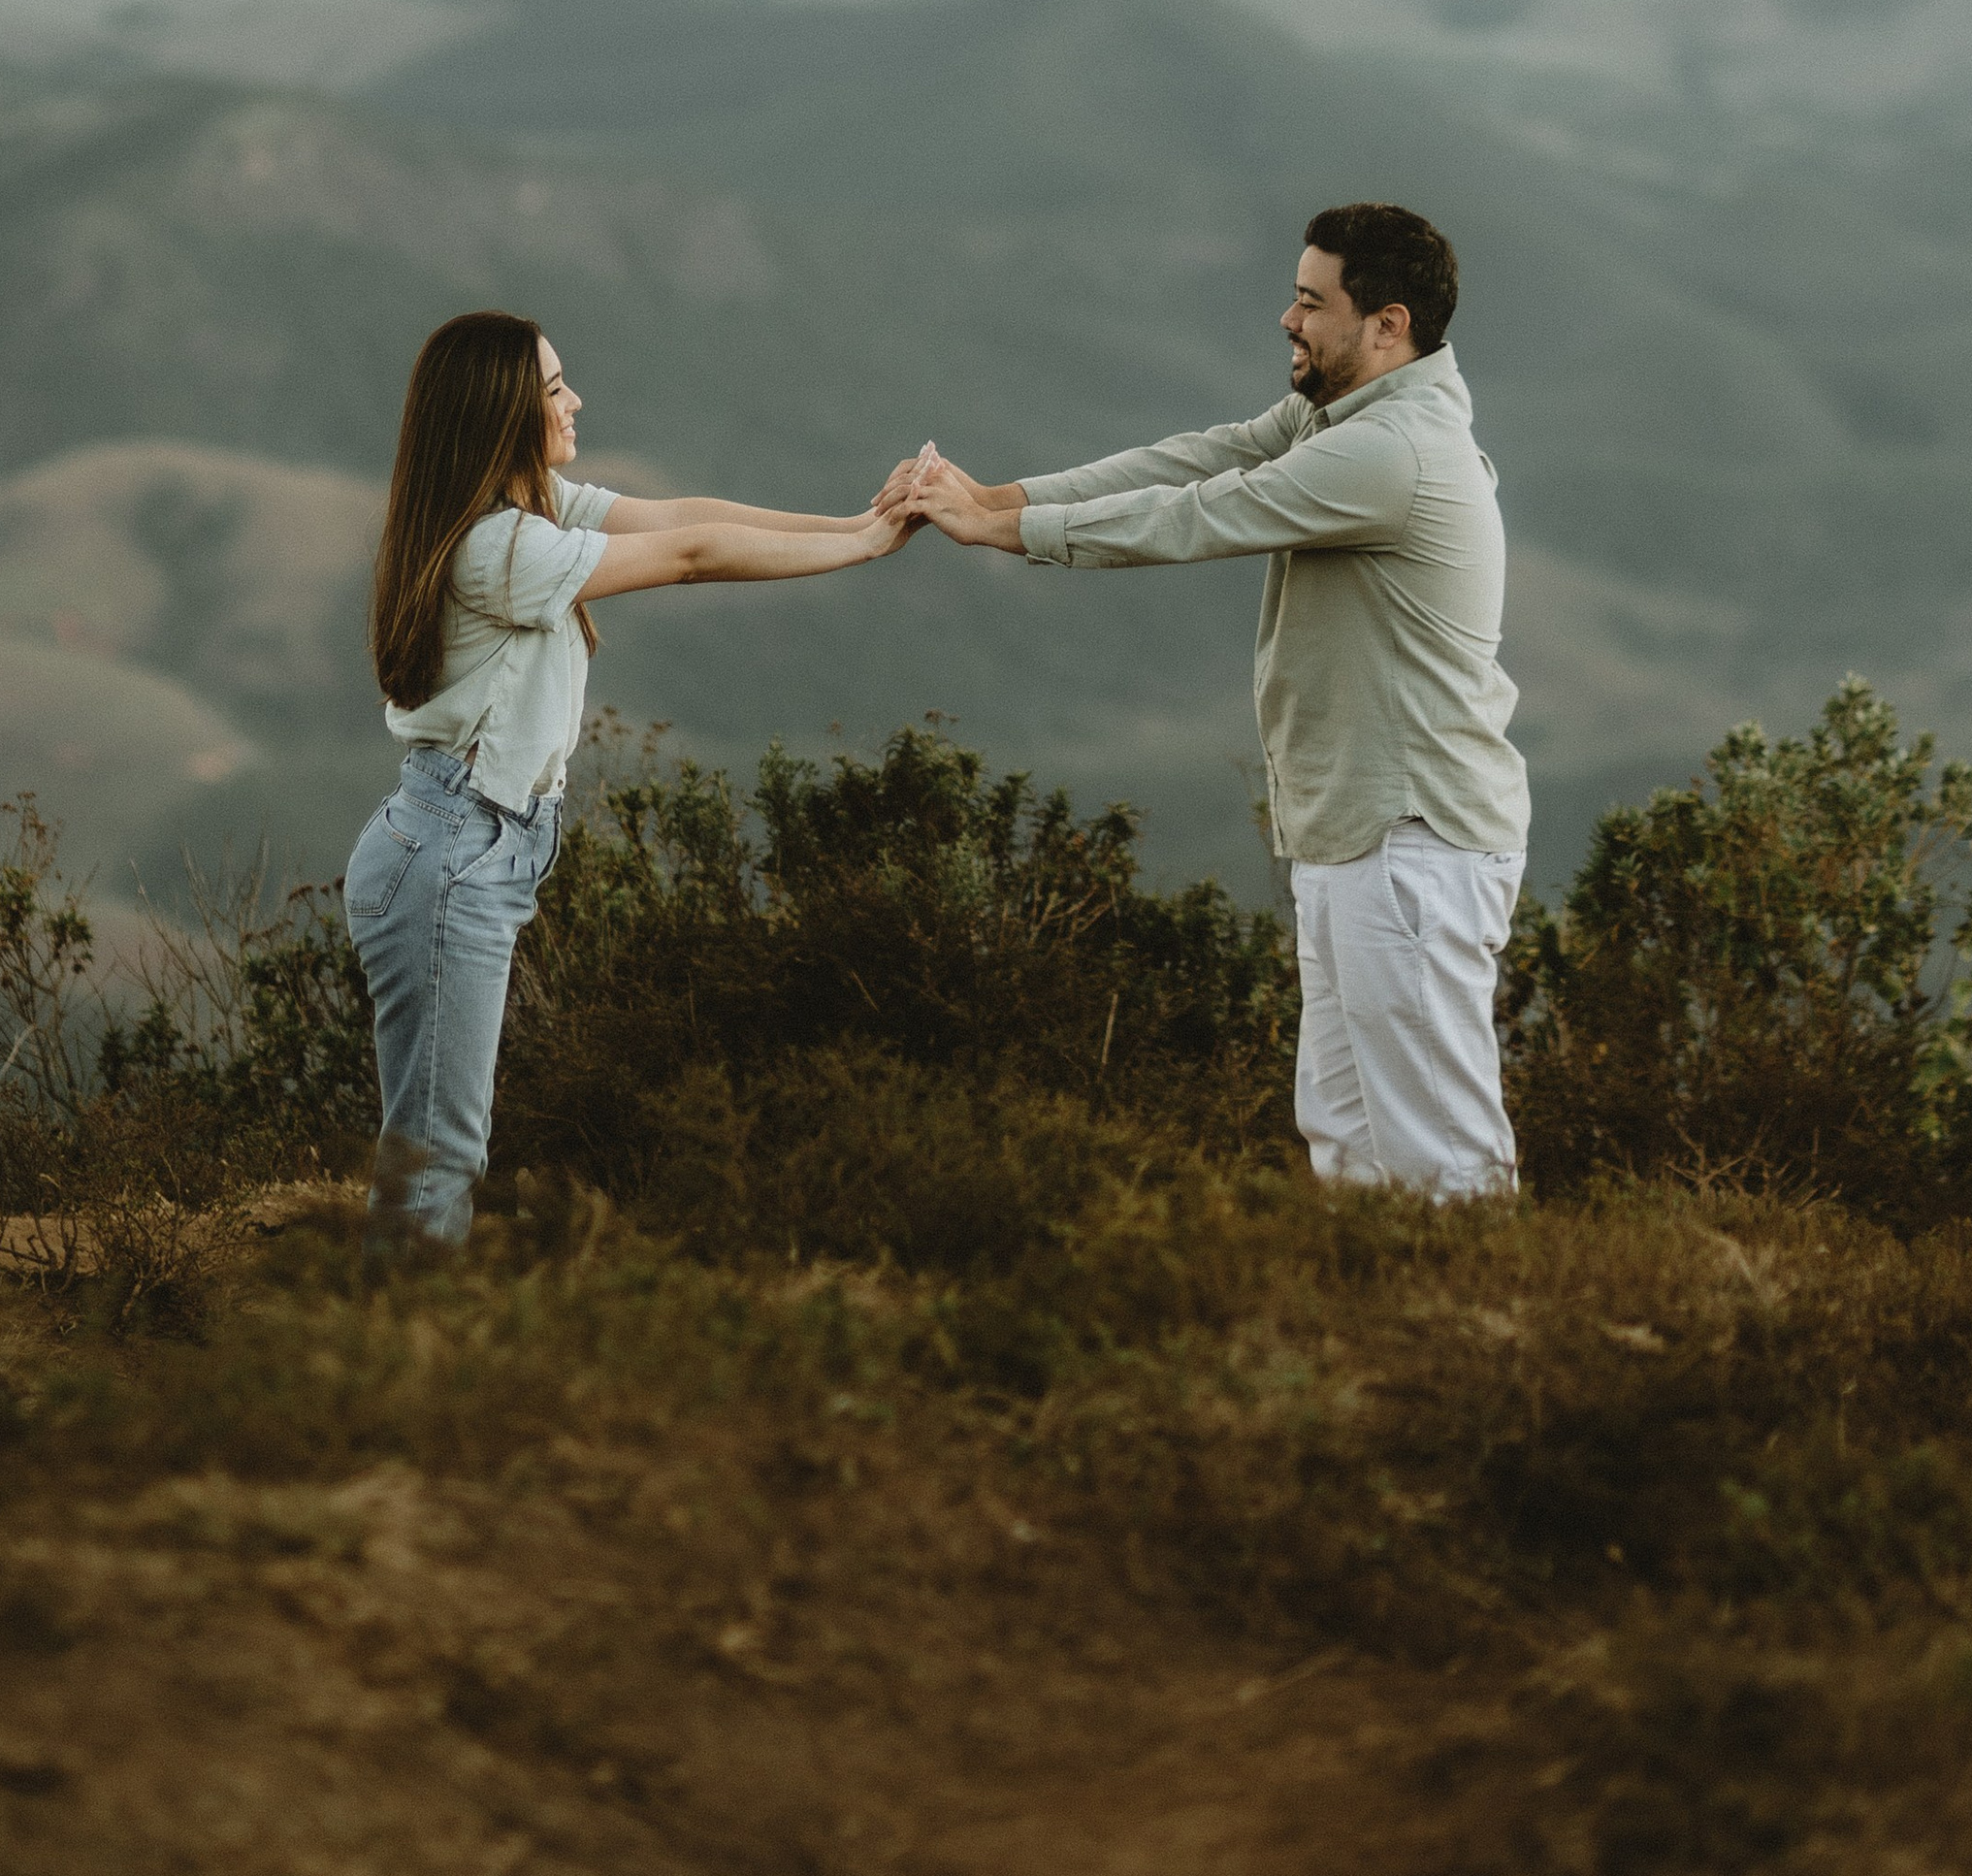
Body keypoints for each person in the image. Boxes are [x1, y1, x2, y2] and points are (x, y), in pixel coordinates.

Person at [884, 204, 1528, 1201]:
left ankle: (1502, 1342)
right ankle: (1393, 1342)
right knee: (1352, 1145)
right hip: (1362, 840)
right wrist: (1000, 496)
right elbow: (1199, 457)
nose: (1287, 318)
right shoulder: (1342, 413)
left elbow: (1200, 514)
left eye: (1312, 303)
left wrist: (1004, 535)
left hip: (1413, 843)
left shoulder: (1389, 451)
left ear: (1387, 324)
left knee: (1439, 1157)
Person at [350, 306, 911, 1256]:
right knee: (439, 1158)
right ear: (500, 411)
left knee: (442, 1151)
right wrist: (865, 548)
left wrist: (864, 521)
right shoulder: (499, 548)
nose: (576, 401)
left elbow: (689, 517)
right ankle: (398, 1377)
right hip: (453, 856)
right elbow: (688, 559)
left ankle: (405, 1363)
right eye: (555, 387)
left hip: (468, 847)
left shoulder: (532, 511)